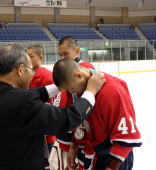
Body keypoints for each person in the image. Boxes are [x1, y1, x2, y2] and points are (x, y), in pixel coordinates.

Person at [0, 44, 105, 170]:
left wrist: (62, 84)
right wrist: (90, 92)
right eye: (31, 70)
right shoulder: (22, 102)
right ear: (20, 70)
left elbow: (30, 95)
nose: (32, 74)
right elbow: (66, 119)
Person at [52, 59, 142, 170]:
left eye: (71, 88)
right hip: (91, 154)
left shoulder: (111, 92)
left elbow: (125, 136)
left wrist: (112, 166)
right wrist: (74, 144)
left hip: (111, 158)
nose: (71, 92)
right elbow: (81, 121)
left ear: (79, 75)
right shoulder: (77, 88)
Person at [57, 36, 96, 169]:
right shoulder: (66, 70)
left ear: (77, 51)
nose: (63, 57)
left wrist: (74, 141)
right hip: (69, 131)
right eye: (60, 54)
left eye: (66, 53)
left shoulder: (82, 69)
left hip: (76, 133)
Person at [26, 45, 57, 169]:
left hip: (45, 129)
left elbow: (52, 104)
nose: (28, 58)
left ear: (41, 57)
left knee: (48, 159)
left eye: (31, 56)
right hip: (32, 127)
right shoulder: (26, 74)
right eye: (26, 56)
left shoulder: (46, 76)